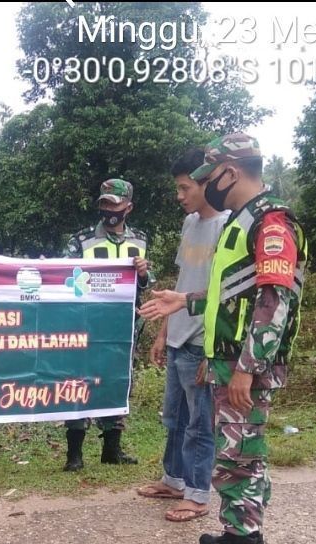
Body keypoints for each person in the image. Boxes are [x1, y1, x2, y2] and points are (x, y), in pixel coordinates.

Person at [139, 133, 307, 544]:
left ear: (231, 172)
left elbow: (274, 302)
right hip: (230, 361)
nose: (205, 185)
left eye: (208, 176)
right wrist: (185, 300)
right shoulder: (243, 221)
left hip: (244, 366)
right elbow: (232, 294)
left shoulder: (272, 224)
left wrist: (247, 369)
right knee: (242, 456)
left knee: (237, 462)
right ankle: (245, 542)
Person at [137, 148, 225, 523]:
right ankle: (173, 480)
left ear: (206, 182)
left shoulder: (227, 226)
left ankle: (198, 493)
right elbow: (181, 285)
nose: (180, 195)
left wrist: (212, 347)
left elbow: (227, 294)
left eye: (184, 187)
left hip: (203, 342)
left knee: (199, 424)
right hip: (178, 340)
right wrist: (162, 334)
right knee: (174, 419)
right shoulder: (191, 224)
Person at [62, 178, 152, 471]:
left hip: (124, 327)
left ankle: (112, 449)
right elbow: (64, 279)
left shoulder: (139, 240)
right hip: (86, 325)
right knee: (79, 382)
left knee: (119, 382)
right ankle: (74, 454)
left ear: (129, 207)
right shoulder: (81, 240)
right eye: (104, 203)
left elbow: (143, 287)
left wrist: (142, 273)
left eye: (114, 204)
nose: (109, 209)